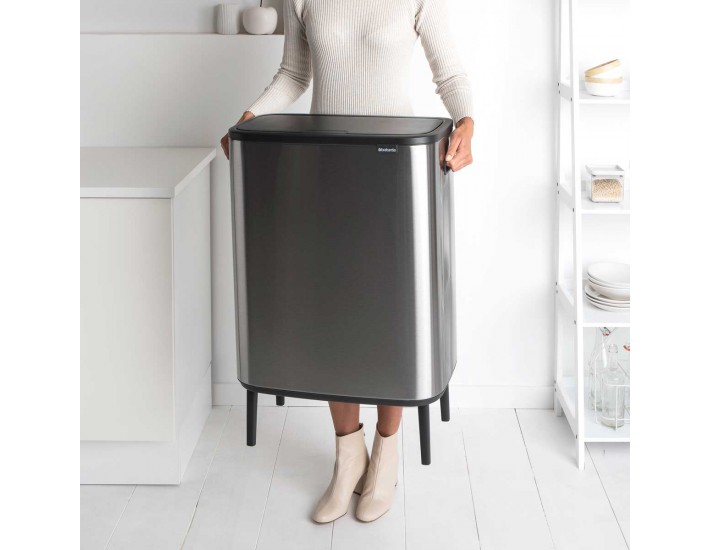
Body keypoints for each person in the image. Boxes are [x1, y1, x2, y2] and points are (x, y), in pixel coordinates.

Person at [221, 0, 474, 524]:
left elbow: (448, 71)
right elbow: (295, 73)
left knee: (390, 314)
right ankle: (348, 456)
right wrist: (250, 117)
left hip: (396, 170)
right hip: (325, 166)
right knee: (332, 310)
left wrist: (467, 120)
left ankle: (386, 456)